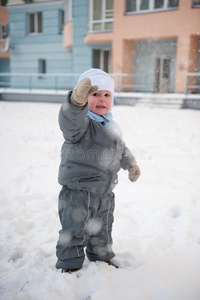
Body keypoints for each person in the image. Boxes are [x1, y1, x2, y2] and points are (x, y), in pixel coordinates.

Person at [56, 68, 141, 273]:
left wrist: (130, 164)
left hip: (104, 192)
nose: (101, 99)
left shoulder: (111, 126)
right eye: (95, 94)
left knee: (102, 228)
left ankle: (101, 256)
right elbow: (70, 119)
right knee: (75, 230)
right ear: (86, 96)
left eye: (107, 94)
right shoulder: (82, 124)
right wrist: (76, 102)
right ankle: (70, 264)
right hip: (79, 191)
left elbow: (120, 148)